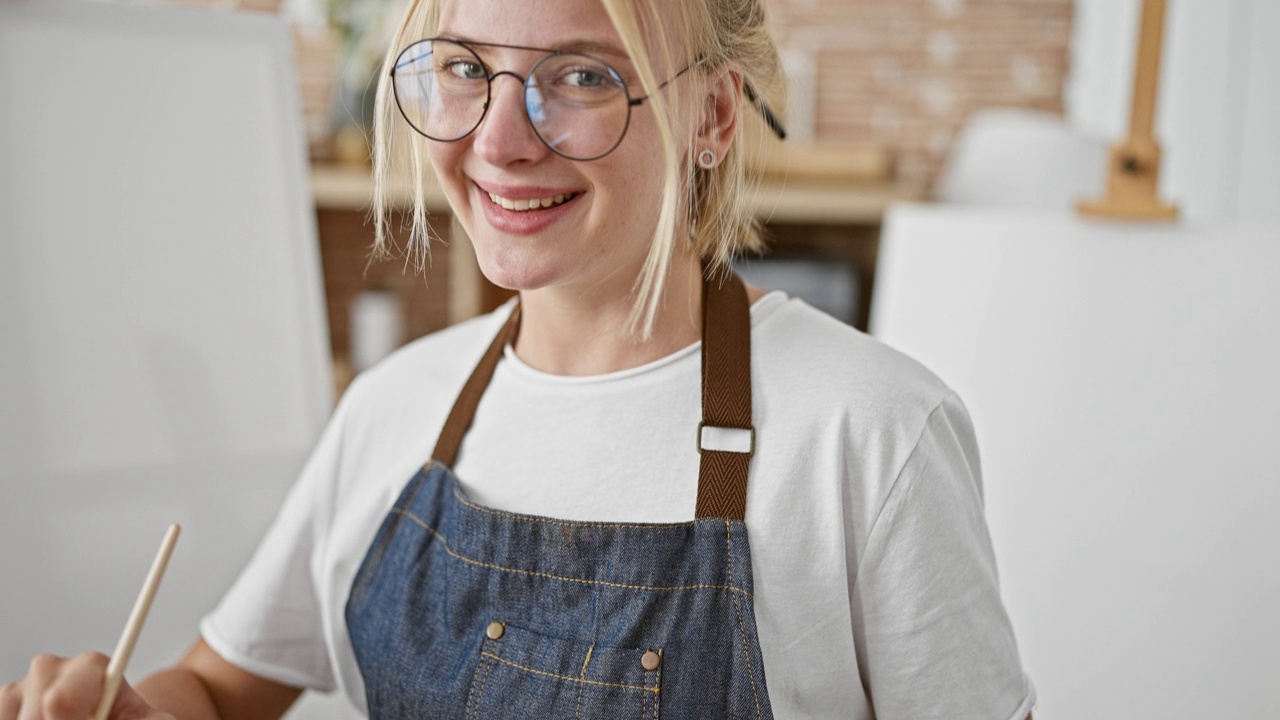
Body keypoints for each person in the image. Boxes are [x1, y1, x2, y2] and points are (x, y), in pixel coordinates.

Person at [0, 0, 1037, 717]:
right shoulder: (396, 405)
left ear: (711, 116)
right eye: (463, 70)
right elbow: (224, 692)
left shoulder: (871, 432)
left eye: (579, 76)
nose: (498, 141)